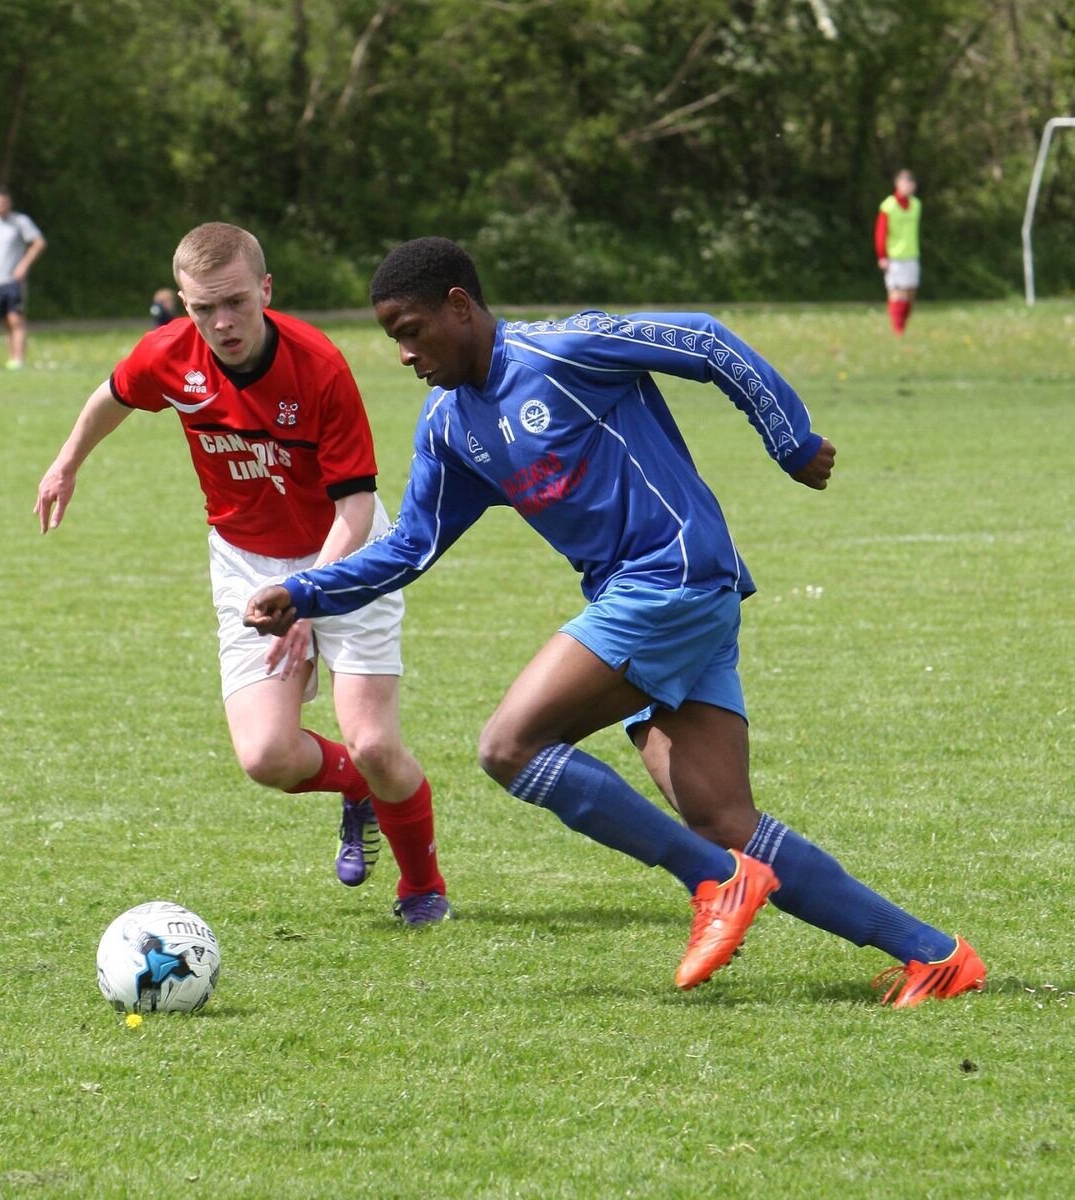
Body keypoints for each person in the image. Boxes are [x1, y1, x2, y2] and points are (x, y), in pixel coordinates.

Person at [245, 237, 986, 1005]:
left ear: (458, 307)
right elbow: (412, 545)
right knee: (722, 817)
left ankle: (715, 884)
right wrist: (306, 594)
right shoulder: (447, 427)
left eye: (410, 330)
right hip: (644, 601)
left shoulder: (562, 350)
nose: (403, 353)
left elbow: (702, 338)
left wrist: (789, 439)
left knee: (509, 746)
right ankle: (932, 956)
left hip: (672, 574)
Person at [34, 222, 449, 925]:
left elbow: (353, 507)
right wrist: (67, 461)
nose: (220, 324)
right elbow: (113, 393)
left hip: (344, 553)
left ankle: (422, 886)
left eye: (233, 303)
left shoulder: (317, 366)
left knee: (376, 742)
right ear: (183, 305)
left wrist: (308, 599)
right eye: (202, 308)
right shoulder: (169, 355)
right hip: (246, 560)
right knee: (266, 755)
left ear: (264, 289)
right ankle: (358, 792)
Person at [0, 188, 46, 369]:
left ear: (9, 203)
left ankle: (19, 359)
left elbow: (39, 242)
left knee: (15, 318)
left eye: (2, 202)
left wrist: (24, 265)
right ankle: (11, 357)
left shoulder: (20, 221)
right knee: (4, 320)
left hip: (14, 279)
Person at [875, 169, 921, 335]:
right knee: (897, 293)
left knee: (910, 293)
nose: (908, 185)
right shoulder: (889, 205)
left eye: (911, 182)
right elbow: (881, 232)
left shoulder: (916, 205)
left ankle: (903, 325)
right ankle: (898, 329)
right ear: (897, 184)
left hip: (912, 255)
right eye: (905, 182)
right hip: (894, 257)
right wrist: (882, 256)